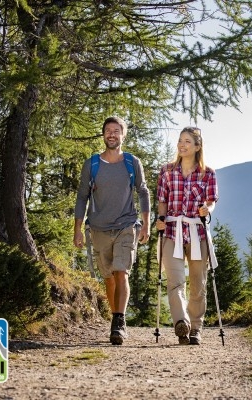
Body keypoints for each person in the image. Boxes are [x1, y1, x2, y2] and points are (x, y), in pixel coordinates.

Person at [73, 116, 150, 345]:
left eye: (116, 131)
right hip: (98, 228)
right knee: (109, 278)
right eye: (108, 131)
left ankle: (119, 322)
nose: (112, 134)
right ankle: (115, 318)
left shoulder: (132, 162)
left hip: (126, 225)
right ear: (103, 135)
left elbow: (143, 191)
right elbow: (81, 197)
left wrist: (146, 223)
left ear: (123, 135)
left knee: (121, 271)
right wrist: (77, 230)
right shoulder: (92, 165)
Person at [156, 126, 218, 345]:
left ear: (197, 146)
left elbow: (210, 201)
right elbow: (162, 200)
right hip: (172, 231)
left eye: (187, 142)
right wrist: (160, 220)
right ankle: (181, 322)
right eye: (180, 141)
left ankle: (196, 328)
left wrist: (207, 210)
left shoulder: (208, 173)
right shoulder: (166, 171)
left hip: (197, 232)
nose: (182, 145)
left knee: (197, 283)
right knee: (174, 281)